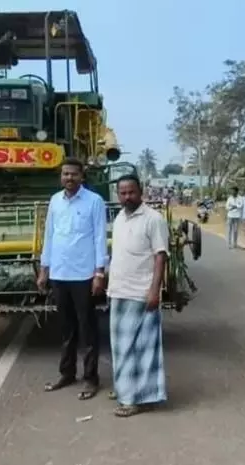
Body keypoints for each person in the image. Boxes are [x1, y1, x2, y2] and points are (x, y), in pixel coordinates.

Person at [38, 157, 107, 401]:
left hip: (84, 275)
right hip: (59, 273)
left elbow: (100, 237)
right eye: (65, 174)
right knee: (66, 329)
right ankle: (66, 373)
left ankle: (91, 378)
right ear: (61, 176)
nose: (69, 178)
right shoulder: (55, 201)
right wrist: (44, 269)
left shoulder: (94, 202)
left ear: (82, 176)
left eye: (74, 174)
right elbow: (49, 236)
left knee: (87, 329)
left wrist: (99, 272)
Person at [106, 175, 169, 417]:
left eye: (131, 192)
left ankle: (133, 400)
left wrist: (155, 289)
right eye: (122, 193)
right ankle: (124, 386)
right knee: (120, 347)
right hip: (119, 290)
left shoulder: (153, 219)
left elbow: (160, 256)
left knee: (142, 348)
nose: (126, 197)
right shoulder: (120, 217)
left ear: (140, 192)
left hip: (141, 293)